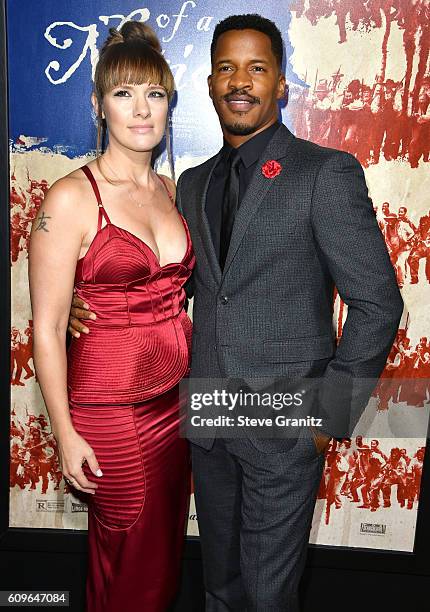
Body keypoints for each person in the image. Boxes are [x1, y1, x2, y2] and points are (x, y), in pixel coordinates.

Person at [70, 14, 403, 611]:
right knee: (218, 585)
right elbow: (183, 285)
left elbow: (378, 302)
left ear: (281, 83)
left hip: (284, 424)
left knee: (268, 594)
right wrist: (91, 300)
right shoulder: (192, 184)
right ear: (210, 83)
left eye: (257, 67)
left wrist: (330, 411)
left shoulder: (323, 173)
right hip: (207, 417)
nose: (240, 81)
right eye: (226, 67)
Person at [29, 22, 194, 612]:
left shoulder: (174, 190)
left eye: (154, 94)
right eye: (124, 94)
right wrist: (64, 434)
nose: (141, 110)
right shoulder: (71, 198)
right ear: (99, 105)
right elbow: (46, 330)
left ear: (169, 104)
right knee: (139, 576)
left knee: (147, 563)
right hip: (111, 414)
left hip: (176, 406)